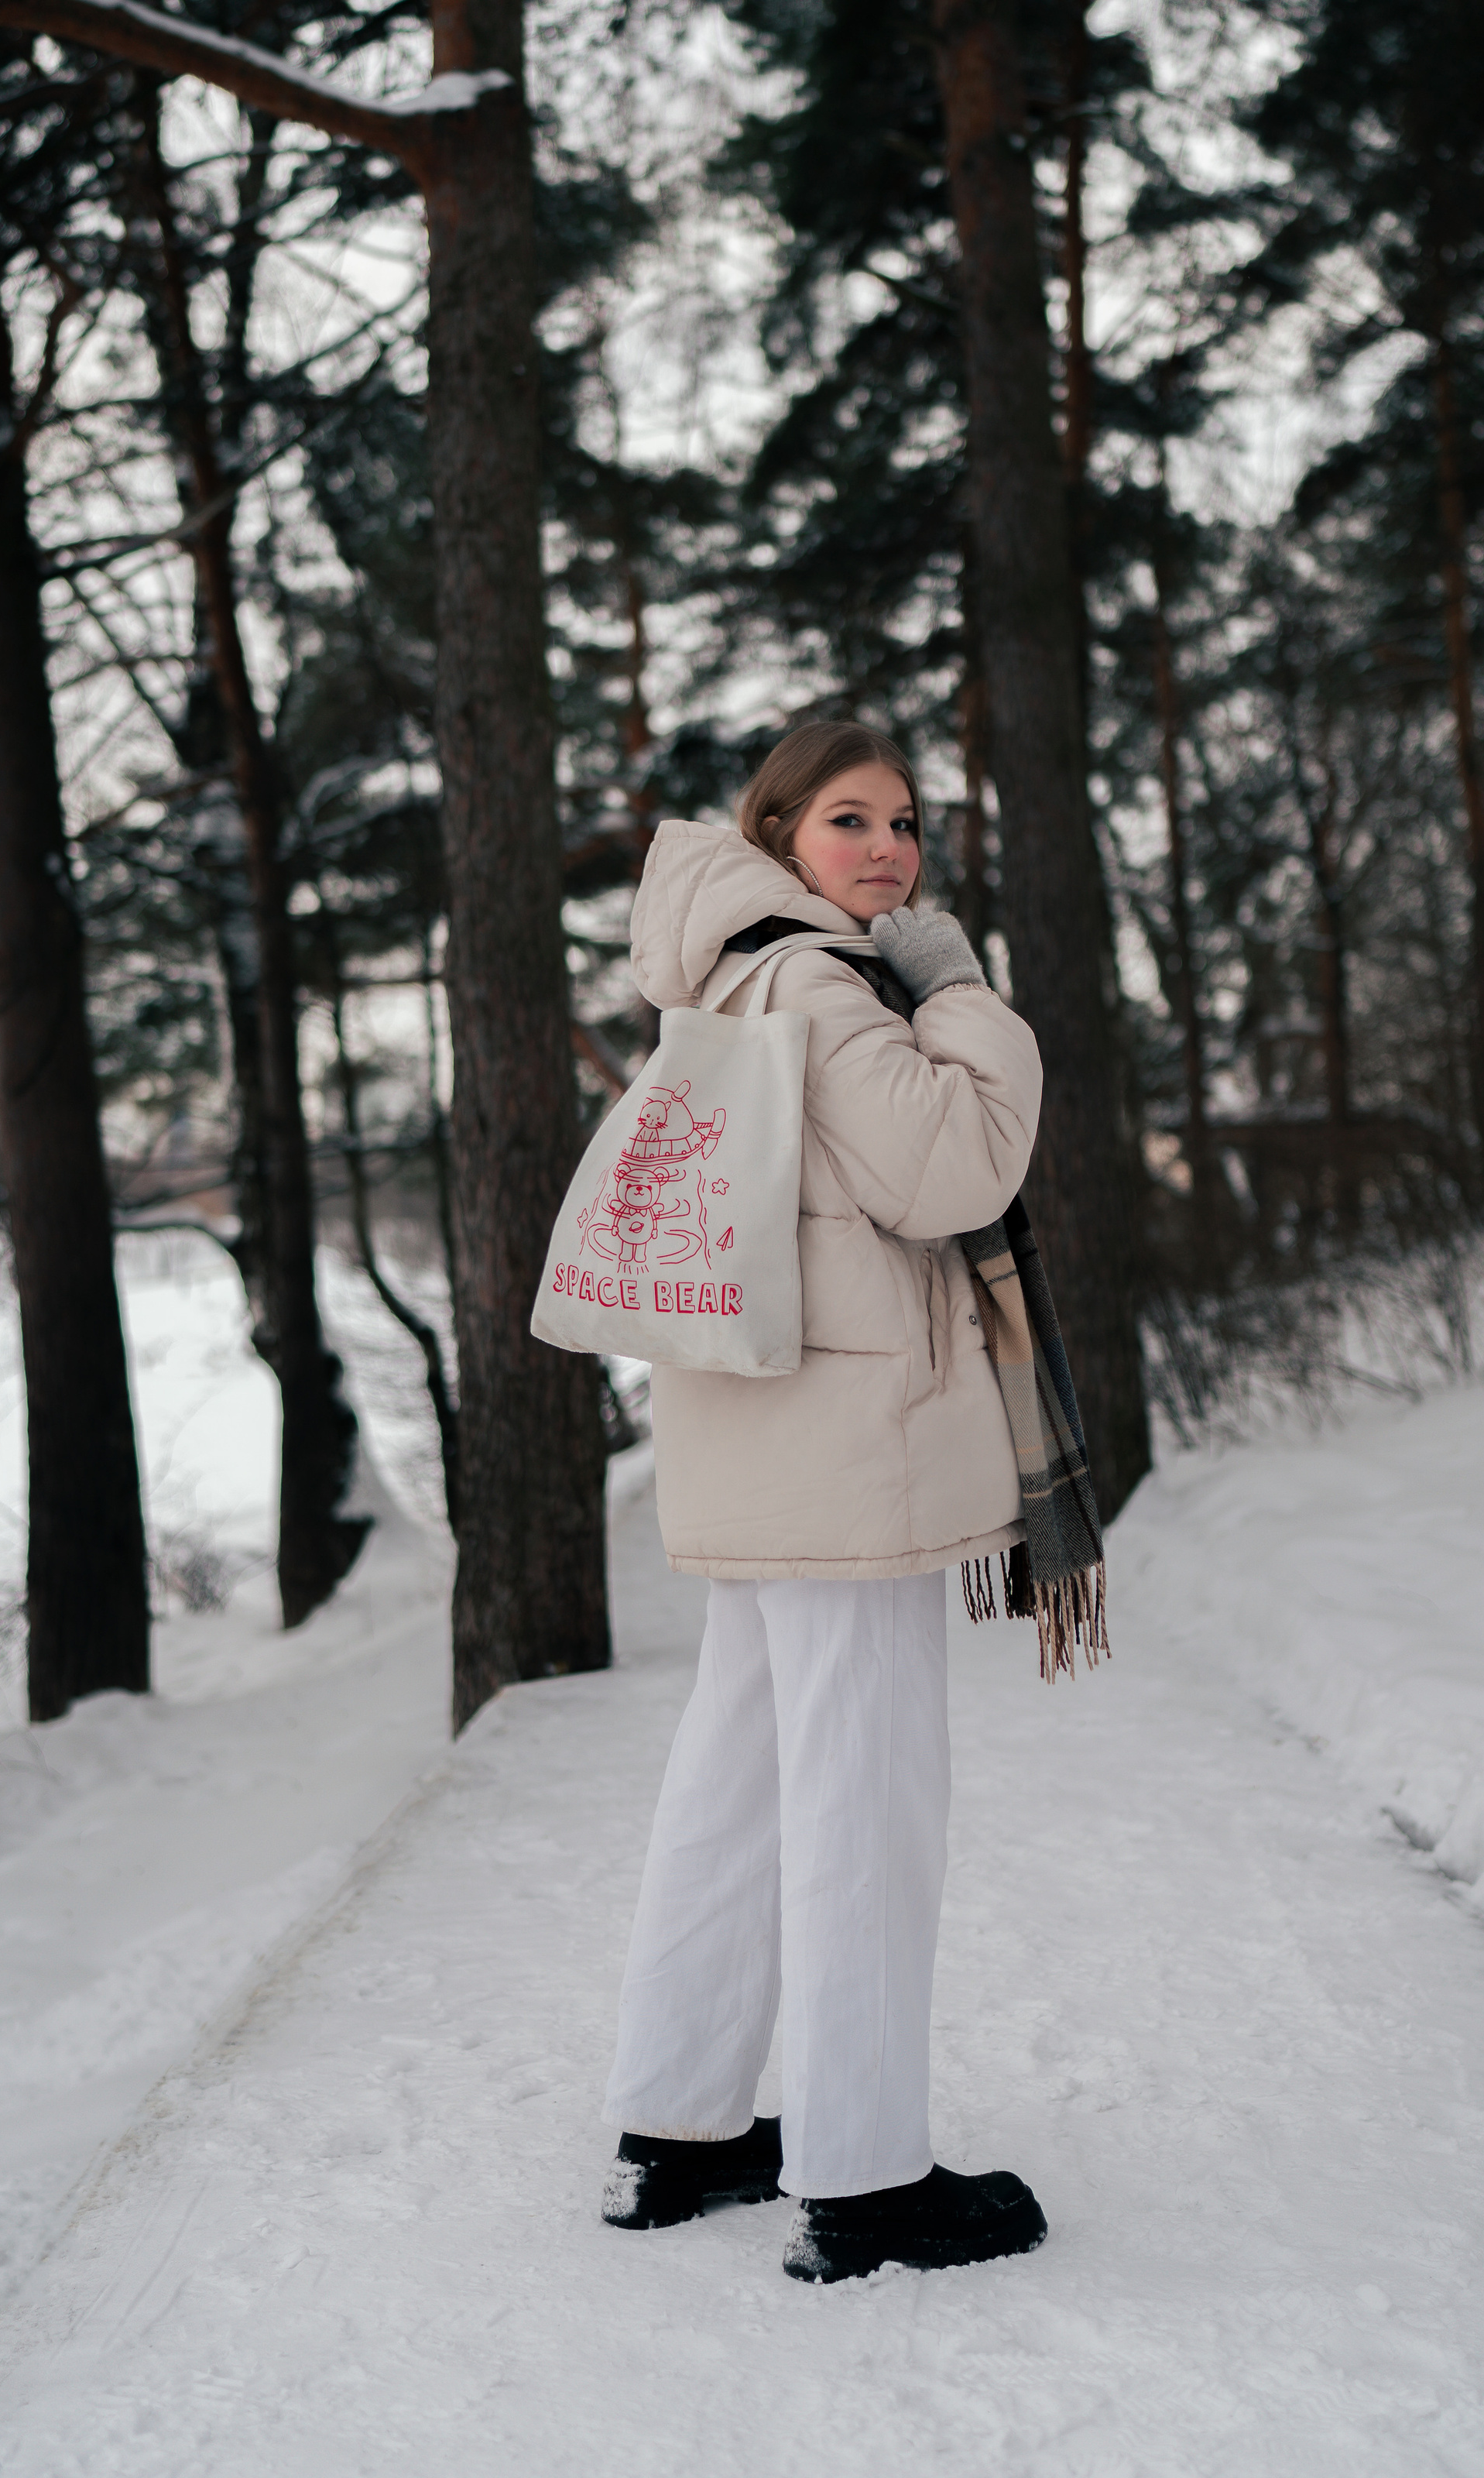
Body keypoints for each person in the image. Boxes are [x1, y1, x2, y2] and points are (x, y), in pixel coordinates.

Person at [599, 718, 1049, 2284]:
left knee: (736, 1790)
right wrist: (965, 988)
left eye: (904, 823)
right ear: (777, 834)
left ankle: (684, 2124)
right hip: (848, 1453)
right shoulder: (812, 975)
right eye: (848, 819)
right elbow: (956, 1167)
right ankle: (864, 2178)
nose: (885, 848)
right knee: (865, 1805)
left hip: (770, 1439)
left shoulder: (725, 970)